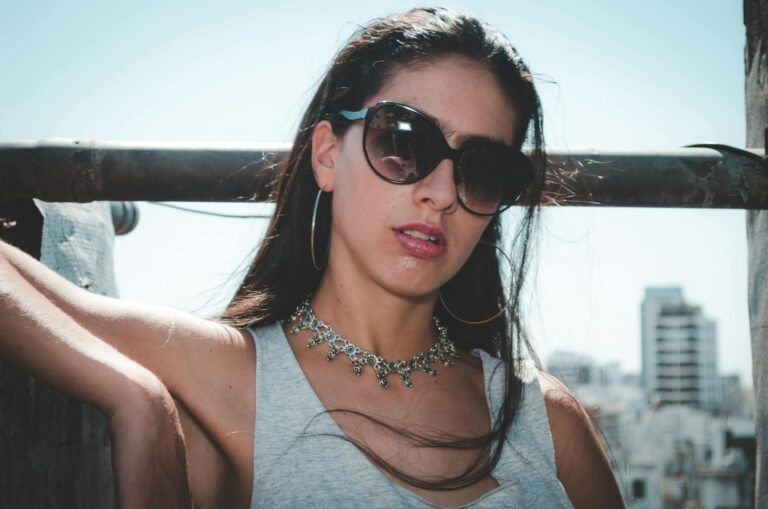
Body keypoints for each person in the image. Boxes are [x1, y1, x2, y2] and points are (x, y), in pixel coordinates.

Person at [0, 7, 625, 508]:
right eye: (404, 143)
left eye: (483, 169)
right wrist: (136, 397)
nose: (438, 192)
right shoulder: (226, 376)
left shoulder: (547, 419)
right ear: (327, 154)